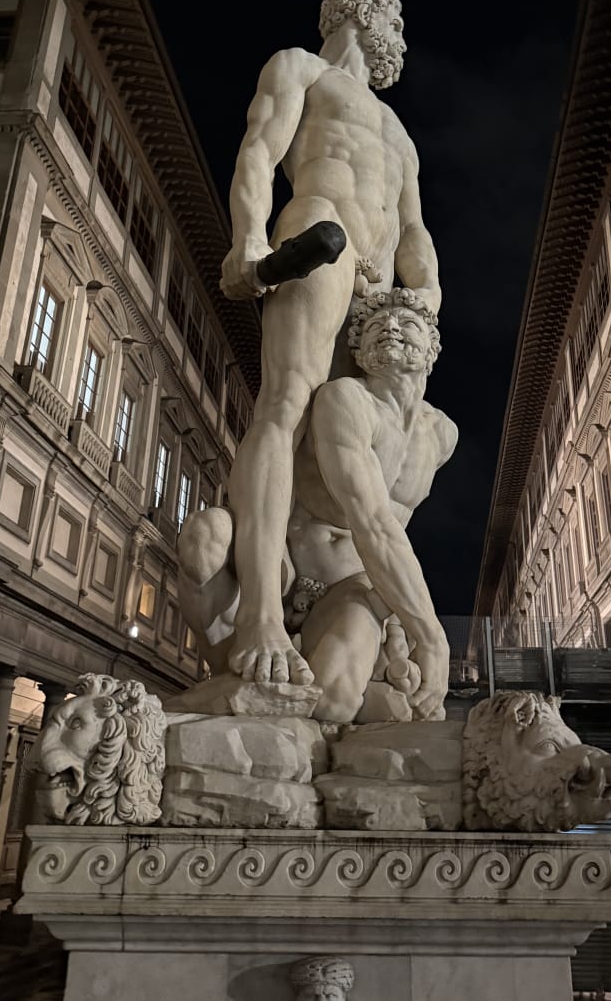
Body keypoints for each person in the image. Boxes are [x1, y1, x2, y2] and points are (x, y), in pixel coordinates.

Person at [220, 0, 441, 687]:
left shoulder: (402, 136)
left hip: (379, 290)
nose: (385, 27)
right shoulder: (301, 68)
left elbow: (414, 232)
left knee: (361, 449)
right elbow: (258, 152)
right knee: (284, 404)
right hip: (319, 232)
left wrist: (426, 296)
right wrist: (249, 242)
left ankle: (347, 611)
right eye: (382, 15)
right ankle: (258, 613)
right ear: (352, 18)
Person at [177, 288, 456, 721]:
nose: (392, 330)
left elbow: (397, 527)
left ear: (433, 348)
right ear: (359, 351)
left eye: (409, 324)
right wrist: (431, 634)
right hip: (284, 569)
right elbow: (374, 523)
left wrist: (400, 618)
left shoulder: (441, 435)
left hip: (351, 584)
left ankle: (364, 695)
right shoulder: (345, 399)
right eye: (377, 327)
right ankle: (231, 677)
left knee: (332, 702)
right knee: (205, 535)